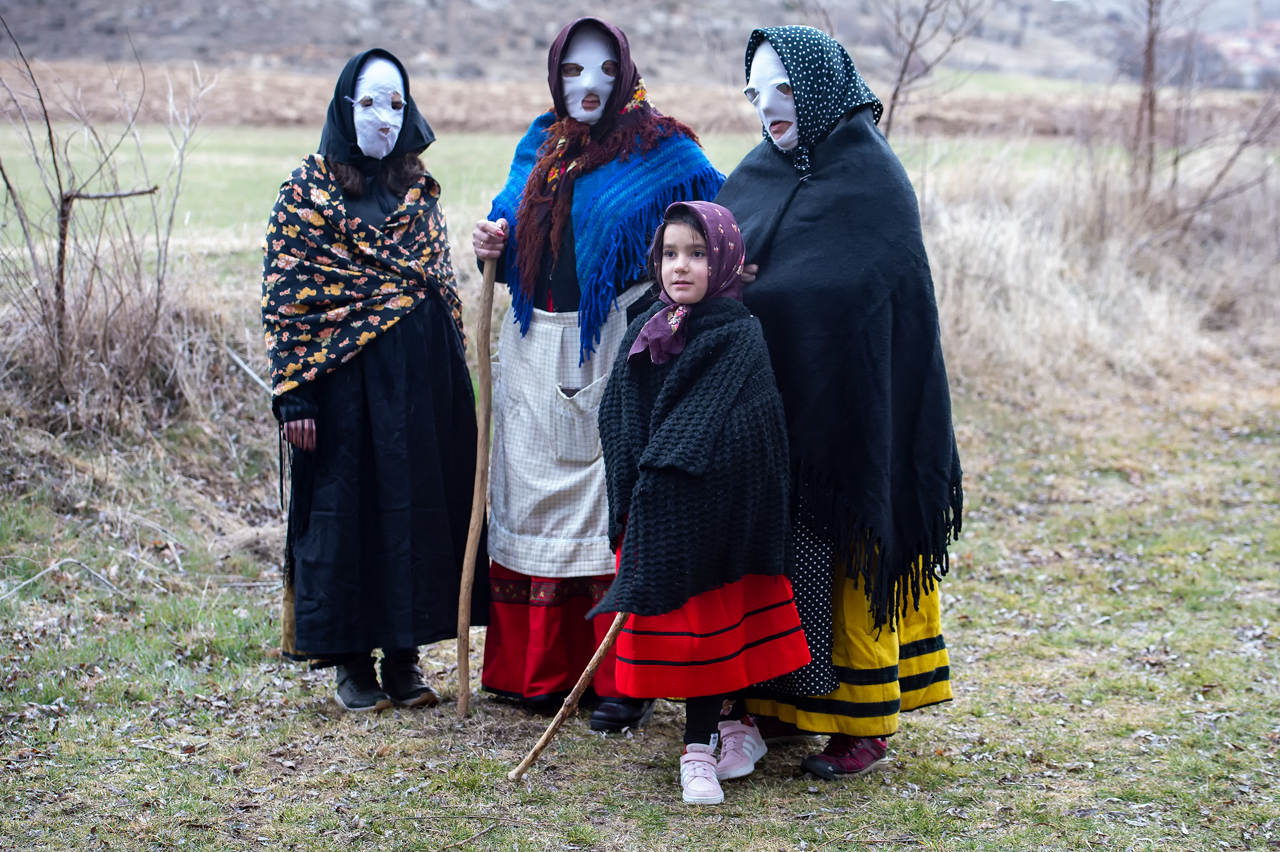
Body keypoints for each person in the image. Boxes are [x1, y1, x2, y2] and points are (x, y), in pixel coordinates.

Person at [714, 27, 964, 779]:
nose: (769, 108)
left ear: (822, 88)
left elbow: (874, 301)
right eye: (756, 94)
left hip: (855, 420)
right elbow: (722, 266)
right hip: (771, 416)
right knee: (781, 563)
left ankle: (862, 722)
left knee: (845, 560)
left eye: (785, 90)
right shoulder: (756, 174)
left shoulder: (874, 183)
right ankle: (782, 704)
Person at [471, 17, 724, 732]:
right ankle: (534, 672)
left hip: (609, 349)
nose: (589, 86)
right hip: (530, 351)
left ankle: (620, 680)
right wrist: (490, 236)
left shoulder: (662, 150)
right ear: (555, 75)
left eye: (605, 71)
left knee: (609, 506)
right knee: (530, 505)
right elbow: (506, 219)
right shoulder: (539, 143)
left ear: (626, 72)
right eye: (575, 71)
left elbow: (713, 225)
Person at [262, 49, 486, 712]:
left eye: (395, 104)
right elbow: (287, 297)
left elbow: (438, 286)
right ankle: (353, 664)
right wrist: (295, 393)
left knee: (411, 512)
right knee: (348, 513)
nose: (383, 118)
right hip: (341, 394)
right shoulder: (307, 195)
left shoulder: (418, 192)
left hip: (417, 388)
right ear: (343, 108)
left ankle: (406, 657)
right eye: (368, 103)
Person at [592, 201, 810, 805]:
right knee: (690, 631)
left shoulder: (738, 335)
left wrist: (668, 472)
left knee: (715, 629)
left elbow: (717, 422)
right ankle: (734, 727)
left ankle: (699, 749)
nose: (679, 266)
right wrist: (636, 475)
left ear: (727, 260)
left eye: (697, 253)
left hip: (716, 511)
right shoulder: (646, 326)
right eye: (669, 254)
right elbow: (620, 408)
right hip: (661, 501)